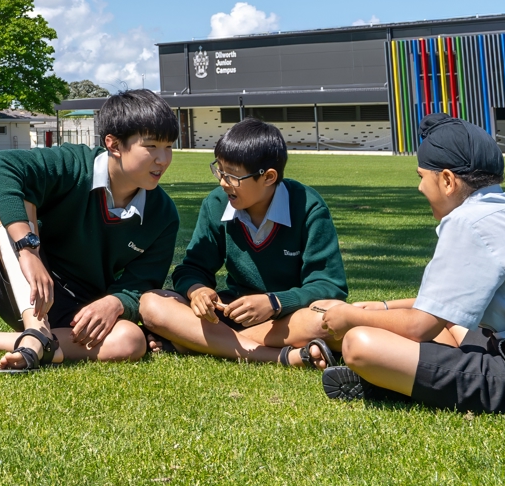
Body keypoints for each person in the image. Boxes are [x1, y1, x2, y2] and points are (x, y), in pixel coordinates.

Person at [317, 114, 505, 418]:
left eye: (421, 176)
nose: (420, 188)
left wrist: (351, 316)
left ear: (447, 180)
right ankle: (400, 377)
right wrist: (383, 307)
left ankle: (395, 381)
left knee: (359, 343)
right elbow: (445, 308)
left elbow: (419, 327)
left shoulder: (468, 221)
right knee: (450, 324)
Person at [0, 89, 181, 372]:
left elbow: (143, 281)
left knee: (130, 340)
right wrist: (29, 249)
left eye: (168, 147)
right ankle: (35, 328)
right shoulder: (73, 165)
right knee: (13, 206)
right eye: (152, 146)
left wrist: (115, 303)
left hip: (78, 311)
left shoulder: (164, 214)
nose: (163, 159)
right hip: (24, 284)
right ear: (114, 144)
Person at [139, 118, 349, 368]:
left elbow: (329, 286)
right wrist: (198, 291)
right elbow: (192, 268)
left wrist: (274, 302)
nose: (222, 182)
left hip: (287, 321)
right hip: (231, 316)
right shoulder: (216, 203)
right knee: (152, 304)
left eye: (232, 176)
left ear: (269, 177)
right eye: (219, 170)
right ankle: (279, 355)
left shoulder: (308, 206)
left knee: (326, 317)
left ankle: (196, 341)